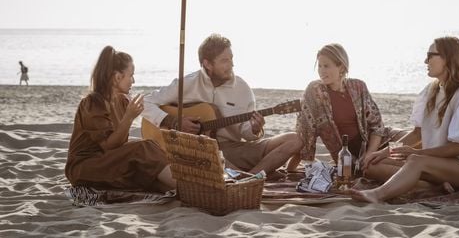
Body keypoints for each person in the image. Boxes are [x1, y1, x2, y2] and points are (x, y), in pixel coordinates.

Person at [142, 33, 303, 176]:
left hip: (233, 149)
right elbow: (145, 102)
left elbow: (245, 134)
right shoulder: (187, 84)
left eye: (231, 58)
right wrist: (174, 121)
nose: (231, 65)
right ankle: (241, 175)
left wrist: (254, 128)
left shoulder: (242, 89)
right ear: (208, 64)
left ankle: (251, 177)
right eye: (225, 60)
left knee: (295, 139)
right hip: (195, 150)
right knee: (209, 153)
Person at [350, 37, 459, 202]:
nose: (426, 60)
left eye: (430, 55)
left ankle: (377, 194)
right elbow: (417, 133)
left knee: (416, 161)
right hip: (431, 161)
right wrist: (385, 152)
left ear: (448, 58)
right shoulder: (431, 91)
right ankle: (436, 187)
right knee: (372, 165)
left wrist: (418, 153)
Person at [65, 46, 175, 192]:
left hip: (108, 162)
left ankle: (181, 188)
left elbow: (120, 145)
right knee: (144, 148)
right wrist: (129, 118)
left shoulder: (122, 102)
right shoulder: (92, 104)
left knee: (150, 153)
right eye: (131, 75)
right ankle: (184, 187)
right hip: (85, 167)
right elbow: (109, 146)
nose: (133, 80)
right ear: (117, 77)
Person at [287, 43, 403, 176]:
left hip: (378, 144)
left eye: (326, 66)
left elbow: (377, 126)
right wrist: (293, 167)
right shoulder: (315, 91)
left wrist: (371, 153)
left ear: (341, 67)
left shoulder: (358, 86)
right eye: (319, 66)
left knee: (412, 139)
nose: (321, 71)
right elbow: (307, 131)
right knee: (393, 168)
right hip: (350, 157)